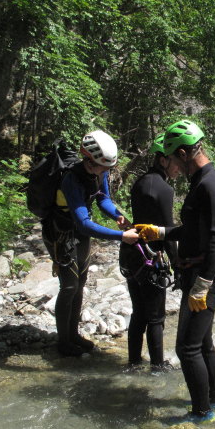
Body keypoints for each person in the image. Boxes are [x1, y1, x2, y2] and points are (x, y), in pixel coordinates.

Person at [136, 120, 215, 423]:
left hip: (209, 273)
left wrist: (203, 284)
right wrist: (161, 232)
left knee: (187, 347)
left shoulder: (211, 185)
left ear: (183, 152)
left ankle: (201, 413)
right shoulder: (202, 182)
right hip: (204, 270)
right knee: (202, 342)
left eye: (175, 159)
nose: (175, 167)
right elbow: (193, 230)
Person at [43, 130, 140, 357]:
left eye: (108, 168)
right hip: (59, 233)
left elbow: (103, 198)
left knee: (81, 282)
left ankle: (74, 334)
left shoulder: (99, 170)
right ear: (88, 159)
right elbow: (85, 223)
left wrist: (117, 215)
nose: (106, 171)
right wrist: (121, 237)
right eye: (102, 167)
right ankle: (63, 341)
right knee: (68, 285)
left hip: (78, 232)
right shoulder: (71, 179)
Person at [119, 133, 181, 373]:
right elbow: (166, 231)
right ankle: (158, 366)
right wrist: (176, 263)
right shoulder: (164, 189)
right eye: (175, 162)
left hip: (131, 252)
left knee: (138, 312)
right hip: (150, 256)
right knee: (155, 316)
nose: (179, 168)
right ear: (163, 160)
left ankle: (133, 362)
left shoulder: (140, 182)